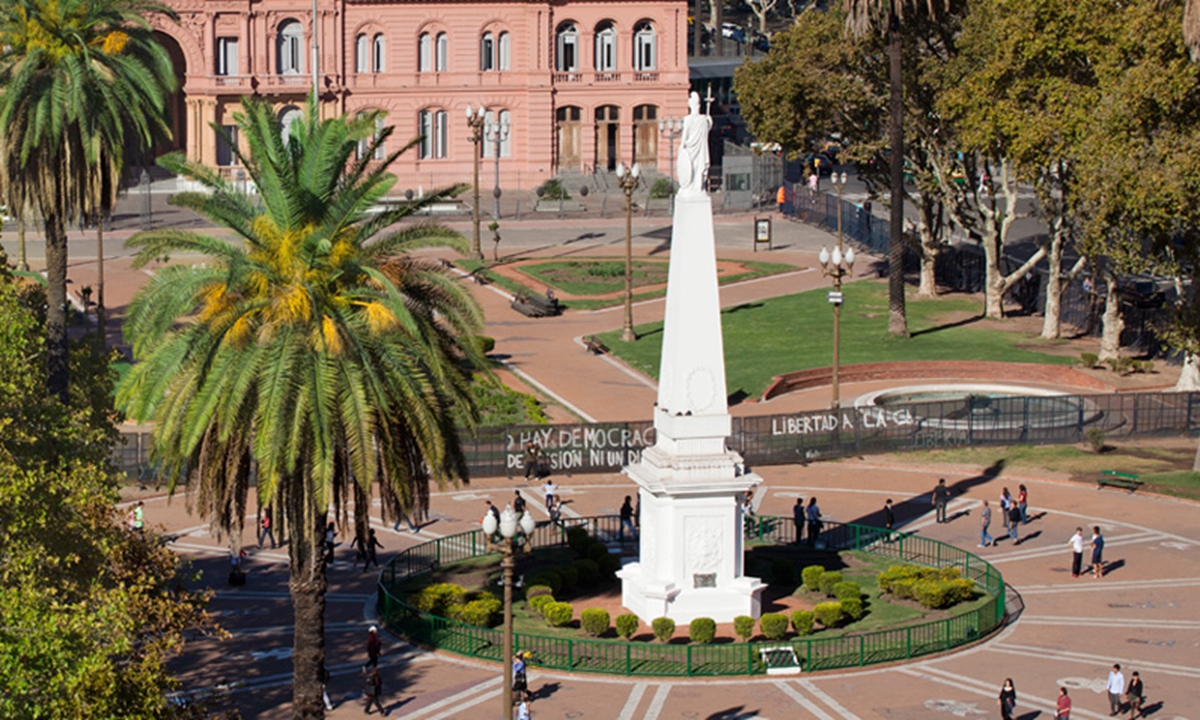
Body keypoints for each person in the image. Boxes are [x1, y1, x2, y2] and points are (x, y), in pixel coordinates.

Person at [676, 91, 713, 196]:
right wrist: (709, 120)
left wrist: (681, 147)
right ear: (699, 105)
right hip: (700, 149)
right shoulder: (703, 119)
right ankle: (697, 187)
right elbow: (708, 129)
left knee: (691, 168)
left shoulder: (689, 119)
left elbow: (685, 135)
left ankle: (690, 187)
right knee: (698, 167)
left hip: (690, 149)